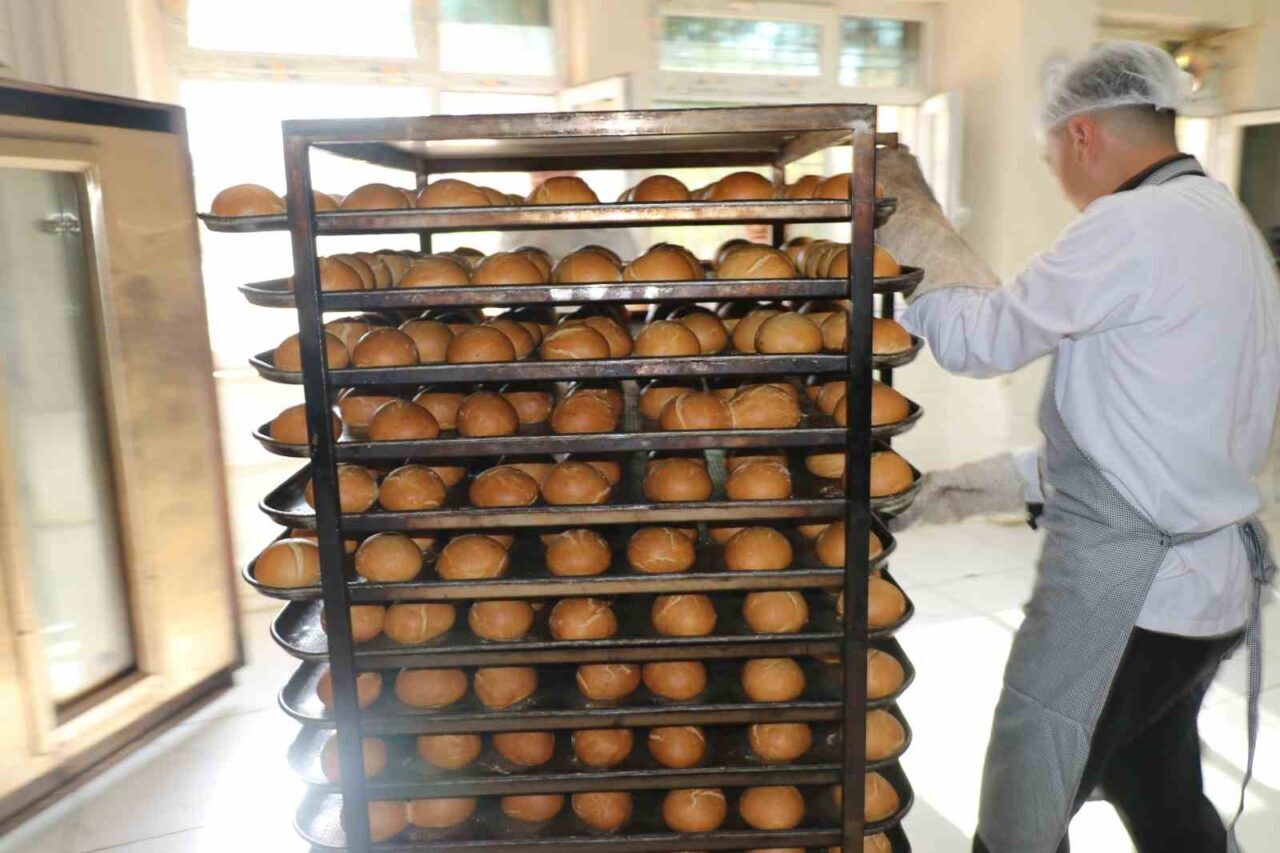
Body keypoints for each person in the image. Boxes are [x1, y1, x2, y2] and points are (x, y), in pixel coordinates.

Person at [888, 41, 1280, 852]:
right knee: (1159, 788)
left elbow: (980, 340)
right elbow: (1155, 429)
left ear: (1081, 135)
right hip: (1206, 589)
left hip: (1129, 601)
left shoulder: (1132, 224)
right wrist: (966, 487)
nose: (1059, 179)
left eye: (1051, 159)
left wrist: (905, 224)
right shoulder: (1223, 221)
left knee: (1022, 818)